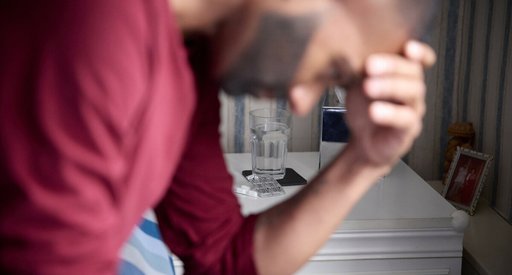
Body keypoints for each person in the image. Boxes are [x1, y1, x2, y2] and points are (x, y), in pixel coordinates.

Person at [0, 0, 438, 274]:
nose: (302, 103)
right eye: (333, 69)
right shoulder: (99, 18)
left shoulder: (190, 55)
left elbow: (222, 258)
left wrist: (364, 159)